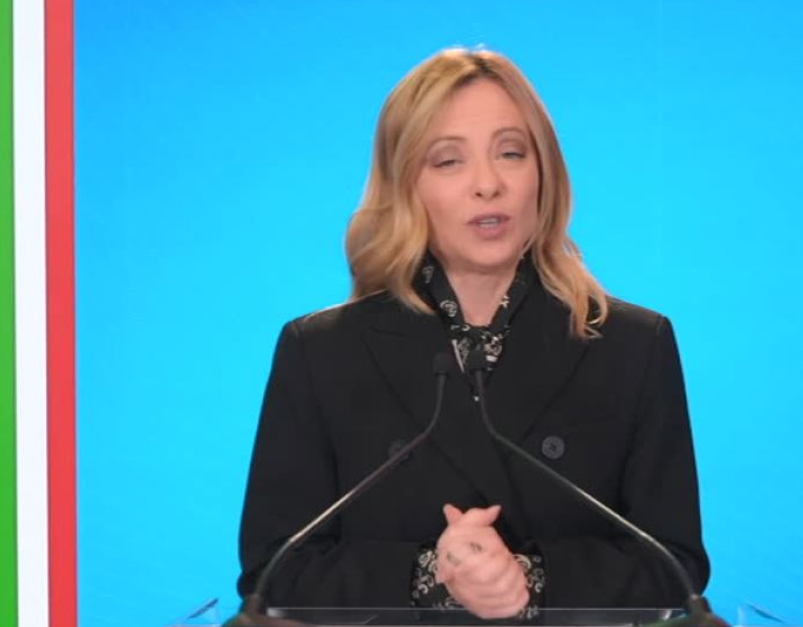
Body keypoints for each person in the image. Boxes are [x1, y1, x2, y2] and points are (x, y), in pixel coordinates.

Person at [237, 48, 709, 619]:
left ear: (544, 172)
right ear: (405, 186)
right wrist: (433, 576)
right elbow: (274, 572)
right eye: (448, 161)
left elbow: (675, 567)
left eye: (511, 153)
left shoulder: (634, 345)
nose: (488, 184)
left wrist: (526, 579)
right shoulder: (320, 352)